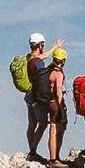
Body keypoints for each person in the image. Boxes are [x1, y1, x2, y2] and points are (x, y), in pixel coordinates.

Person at [21, 33, 51, 161]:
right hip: (36, 95)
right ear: (40, 45)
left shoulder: (29, 58)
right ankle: (33, 152)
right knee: (43, 123)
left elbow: (42, 56)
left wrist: (55, 47)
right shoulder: (37, 62)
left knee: (32, 124)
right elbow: (41, 78)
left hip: (28, 95)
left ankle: (31, 151)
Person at [45, 46, 69, 165]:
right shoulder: (58, 74)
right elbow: (59, 91)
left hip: (48, 102)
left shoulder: (48, 71)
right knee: (57, 129)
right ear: (63, 61)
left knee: (52, 129)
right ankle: (54, 158)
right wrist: (60, 108)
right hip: (56, 102)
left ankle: (53, 157)